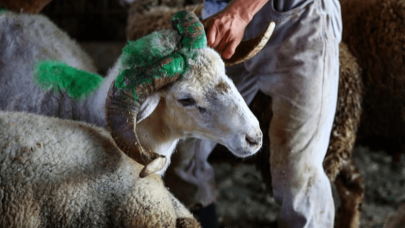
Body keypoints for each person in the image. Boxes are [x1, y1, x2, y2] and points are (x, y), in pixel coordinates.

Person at [164, 0, 342, 227]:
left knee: (297, 169)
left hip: (299, 22)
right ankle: (200, 220)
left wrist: (240, 12)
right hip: (221, 25)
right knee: (183, 141)